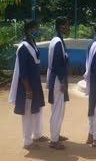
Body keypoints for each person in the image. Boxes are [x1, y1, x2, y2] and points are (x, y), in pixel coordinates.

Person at [8, 19, 49, 149]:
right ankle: (27, 140)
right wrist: (28, 89)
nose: (37, 30)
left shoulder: (32, 43)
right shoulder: (23, 48)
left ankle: (37, 134)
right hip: (28, 86)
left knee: (37, 109)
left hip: (35, 84)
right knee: (27, 112)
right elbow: (23, 71)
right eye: (35, 28)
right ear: (29, 29)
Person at [46, 16, 70, 150]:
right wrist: (62, 81)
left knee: (58, 109)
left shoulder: (56, 40)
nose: (68, 28)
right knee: (57, 110)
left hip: (56, 78)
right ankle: (54, 140)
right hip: (57, 80)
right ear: (61, 27)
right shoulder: (57, 42)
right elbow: (58, 64)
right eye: (66, 25)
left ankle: (56, 134)